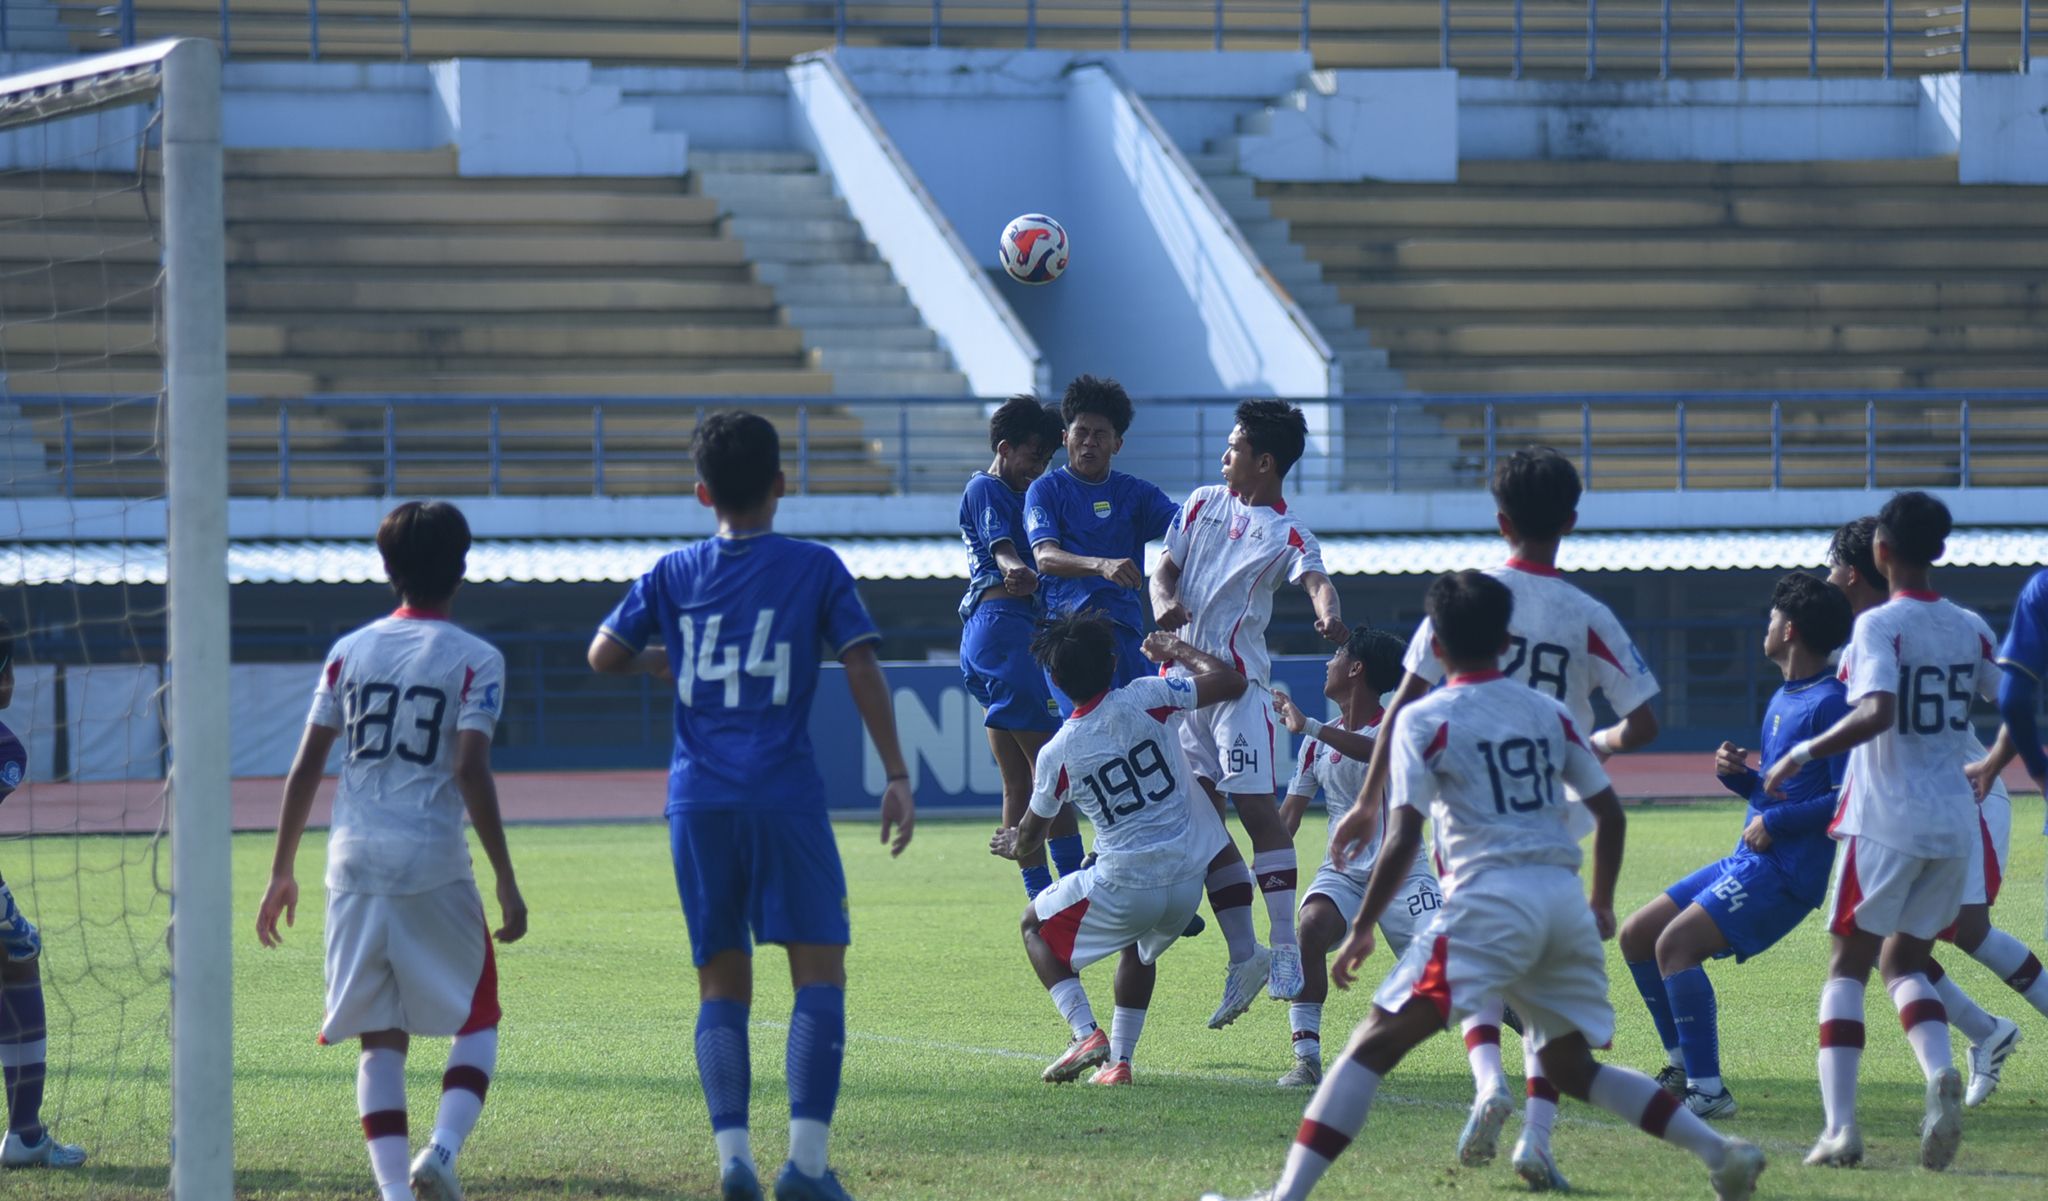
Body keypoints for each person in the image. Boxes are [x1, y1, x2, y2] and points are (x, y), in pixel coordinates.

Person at [1199, 571, 1765, 1201]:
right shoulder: (1550, 713)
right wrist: (1602, 900)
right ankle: (1721, 1154)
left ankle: (1285, 1197)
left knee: (1369, 1049)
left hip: (1483, 905)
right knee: (1573, 1067)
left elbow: (1404, 835)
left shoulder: (1424, 719)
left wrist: (1361, 929)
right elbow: (1607, 812)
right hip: (1558, 909)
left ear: (1437, 642)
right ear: (1505, 640)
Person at [586, 411, 916, 1201]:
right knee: (818, 972)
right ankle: (804, 1164)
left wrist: (670, 659)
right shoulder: (815, 566)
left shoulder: (673, 572)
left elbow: (604, 654)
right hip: (783, 794)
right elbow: (861, 664)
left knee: (721, 983)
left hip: (697, 800)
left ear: (702, 492)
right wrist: (896, 772)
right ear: (780, 482)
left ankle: (733, 1157)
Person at [1339, 446, 1661, 1189]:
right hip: (1554, 807)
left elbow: (1406, 705)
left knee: (1477, 949)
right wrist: (1588, 743)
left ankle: (1489, 1083)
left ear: (1500, 518)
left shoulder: (1462, 598)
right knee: (1535, 976)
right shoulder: (1588, 614)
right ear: (1571, 521)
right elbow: (1643, 721)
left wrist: (1365, 798)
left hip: (1468, 805)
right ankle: (1538, 1137)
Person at [258, 501, 525, 1201]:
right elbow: (470, 768)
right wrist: (505, 877)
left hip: (350, 864)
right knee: (480, 1015)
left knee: (380, 1035)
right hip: (432, 860)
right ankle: (440, 1148)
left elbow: (307, 765)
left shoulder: (349, 650)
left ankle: (392, 1192)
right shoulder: (477, 658)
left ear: (386, 569)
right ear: (462, 570)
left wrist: (281, 868)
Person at [1764, 492, 1992, 1170]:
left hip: (1887, 817)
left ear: (1882, 551)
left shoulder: (1877, 628)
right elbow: (2012, 697)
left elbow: (1877, 711)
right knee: (1904, 960)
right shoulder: (1971, 625)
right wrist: (1999, 761)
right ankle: (1938, 1075)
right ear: (1940, 550)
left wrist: (1801, 753)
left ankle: (1840, 1128)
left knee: (1846, 965)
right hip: (1955, 822)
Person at [1617, 572, 1853, 1120]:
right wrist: (1742, 779)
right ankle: (1681, 1065)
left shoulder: (1832, 703)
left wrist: (1779, 823)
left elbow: (1847, 800)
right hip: (1754, 858)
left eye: (1771, 619)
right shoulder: (1784, 696)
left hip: (1788, 872)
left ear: (1789, 629)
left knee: (1674, 947)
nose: (1764, 627)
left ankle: (1708, 1090)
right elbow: (1784, 791)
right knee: (1638, 935)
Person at [1833, 517, 2044, 1109]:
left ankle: (1983, 1035)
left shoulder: (1894, 629)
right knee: (1897, 949)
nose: (1829, 576)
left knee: (1959, 935)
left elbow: (2009, 693)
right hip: (1921, 808)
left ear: (1859, 567)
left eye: (1832, 564)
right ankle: (1987, 1032)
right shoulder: (1891, 627)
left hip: (1961, 798)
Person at [1151, 400, 1348, 1007]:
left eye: (1234, 447)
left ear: (1265, 461)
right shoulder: (1200, 501)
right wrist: (1163, 602)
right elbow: (1165, 569)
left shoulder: (1288, 533)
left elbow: (1316, 579)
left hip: (1239, 690)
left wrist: (1329, 615)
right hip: (1183, 686)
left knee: (1256, 811)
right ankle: (1245, 955)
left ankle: (1284, 943)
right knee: (1198, 824)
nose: (1223, 456)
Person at [989, 616, 1240, 1085]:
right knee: (1139, 948)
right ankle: (1118, 1063)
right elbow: (1230, 681)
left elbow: (1029, 837)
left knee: (1032, 926)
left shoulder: (1058, 750)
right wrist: (1178, 650)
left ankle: (1084, 1033)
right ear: (1112, 660)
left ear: (1056, 680)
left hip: (1127, 883)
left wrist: (1011, 844)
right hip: (1187, 884)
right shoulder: (1151, 695)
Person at [1269, 627, 1442, 1088]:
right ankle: (1306, 1060)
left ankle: (1550, 1044)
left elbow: (1376, 751)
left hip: (1403, 873)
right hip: (1342, 876)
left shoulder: (1395, 727)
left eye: (1336, 655)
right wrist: (1254, 857)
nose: (1328, 663)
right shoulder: (1314, 745)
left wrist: (1307, 724)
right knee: (1311, 928)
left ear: (1356, 669)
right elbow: (1286, 819)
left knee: (1455, 971)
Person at [958, 395, 1080, 898]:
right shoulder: (986, 487)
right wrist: (1012, 567)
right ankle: (1076, 890)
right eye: (1033, 456)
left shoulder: (1022, 492)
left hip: (994, 635)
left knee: (1019, 781)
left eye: (1047, 460)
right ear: (1005, 449)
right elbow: (1001, 546)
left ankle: (1039, 898)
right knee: (1054, 772)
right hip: (1006, 628)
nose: (1038, 469)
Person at [0, 621, 84, 1170]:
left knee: (13, 963)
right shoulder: (6, 749)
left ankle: (25, 1138)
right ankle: (25, 1135)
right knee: (20, 961)